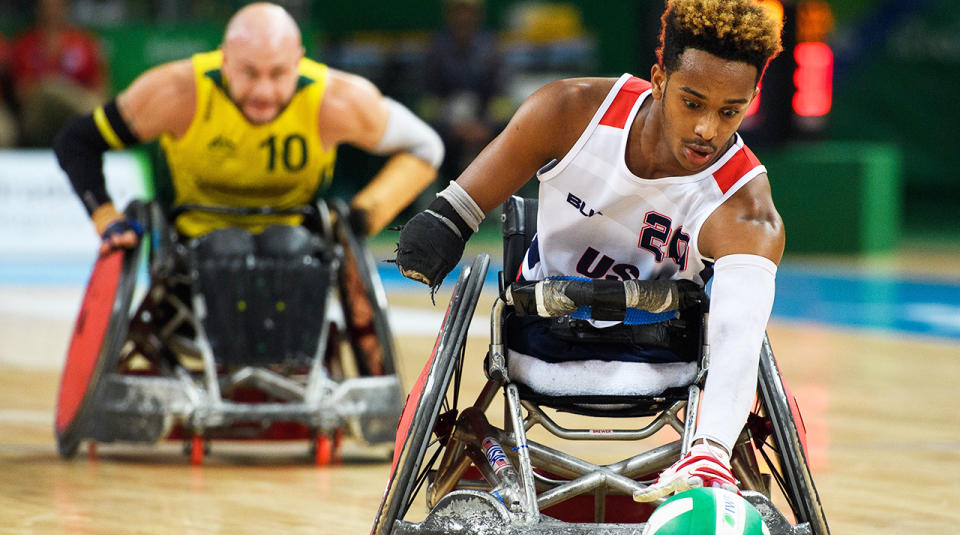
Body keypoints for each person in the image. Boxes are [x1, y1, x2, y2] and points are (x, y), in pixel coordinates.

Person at [395, 0, 783, 502]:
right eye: (693, 103)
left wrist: (710, 447)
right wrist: (439, 230)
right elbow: (457, 209)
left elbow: (737, 331)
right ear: (659, 79)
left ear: (751, 100)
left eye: (730, 111)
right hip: (540, 335)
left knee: (745, 317)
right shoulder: (571, 111)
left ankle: (706, 455)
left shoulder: (745, 204)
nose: (708, 129)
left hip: (661, 352)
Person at [53, 2, 443, 373]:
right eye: (249, 72)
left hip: (294, 250)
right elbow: (77, 141)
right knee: (227, 247)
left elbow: (427, 147)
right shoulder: (177, 91)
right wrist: (106, 217)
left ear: (299, 62)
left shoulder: (336, 99)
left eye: (278, 74)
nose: (263, 91)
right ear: (224, 59)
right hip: (190, 256)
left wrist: (362, 217)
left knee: (287, 246)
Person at [421, 0, 508, 183]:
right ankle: (443, 201)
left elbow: (502, 96)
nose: (463, 18)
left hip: (484, 124)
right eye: (458, 12)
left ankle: (497, 201)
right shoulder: (436, 49)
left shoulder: (492, 49)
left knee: (508, 134)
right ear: (449, 15)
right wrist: (452, 127)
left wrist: (485, 126)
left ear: (477, 15)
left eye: (468, 11)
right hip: (447, 129)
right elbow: (428, 100)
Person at [12, 0, 107, 146]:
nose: (52, 10)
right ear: (38, 9)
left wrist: (64, 91)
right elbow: (22, 93)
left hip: (76, 115)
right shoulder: (26, 44)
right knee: (50, 89)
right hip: (38, 118)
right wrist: (51, 89)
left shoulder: (83, 42)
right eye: (47, 5)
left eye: (57, 5)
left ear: (66, 7)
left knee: (93, 106)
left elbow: (99, 89)